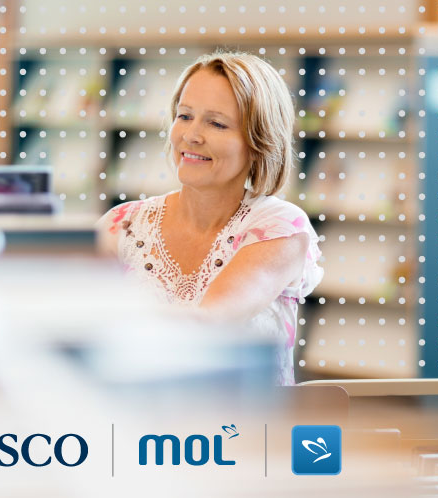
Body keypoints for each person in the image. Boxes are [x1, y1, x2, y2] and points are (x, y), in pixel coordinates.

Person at [97, 51, 323, 386]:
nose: (191, 135)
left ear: (258, 141)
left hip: (243, 419)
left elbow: (211, 325)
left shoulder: (280, 229)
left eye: (216, 123)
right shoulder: (123, 224)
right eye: (184, 116)